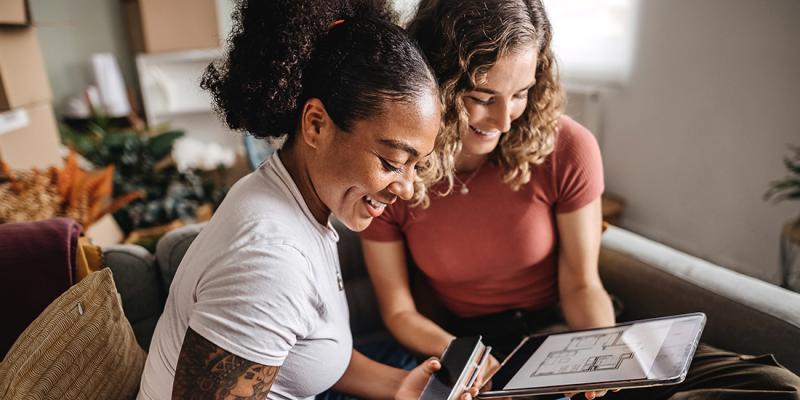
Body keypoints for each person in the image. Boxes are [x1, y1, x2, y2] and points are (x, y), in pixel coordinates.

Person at [360, 0, 800, 399]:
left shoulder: (567, 147)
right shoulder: (396, 172)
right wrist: (466, 358)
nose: (502, 120)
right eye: (480, 97)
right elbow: (399, 312)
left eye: (520, 94)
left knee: (775, 387)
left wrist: (602, 358)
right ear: (435, 81)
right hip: (476, 346)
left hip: (569, 331)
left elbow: (581, 283)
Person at [136, 0, 477, 399]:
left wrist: (404, 387)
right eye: (391, 162)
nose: (406, 187)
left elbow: (306, 353)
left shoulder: (292, 199)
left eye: (415, 165)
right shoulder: (269, 260)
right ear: (316, 124)